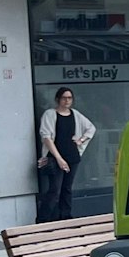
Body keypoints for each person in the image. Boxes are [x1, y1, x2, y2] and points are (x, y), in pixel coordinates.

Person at [37, 87, 95, 222]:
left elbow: (91, 128)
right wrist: (59, 158)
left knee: (67, 189)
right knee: (54, 190)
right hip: (55, 157)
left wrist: (80, 140)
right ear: (58, 99)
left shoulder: (75, 114)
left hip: (72, 156)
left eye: (69, 98)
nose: (67, 100)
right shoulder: (50, 114)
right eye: (64, 98)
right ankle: (43, 220)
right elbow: (46, 137)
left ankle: (66, 218)